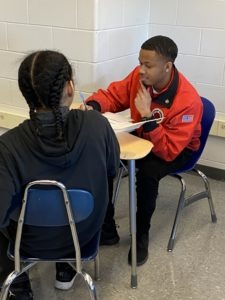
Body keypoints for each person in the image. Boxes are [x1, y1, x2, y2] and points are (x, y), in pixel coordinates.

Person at [0, 50, 120, 299]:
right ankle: (66, 268)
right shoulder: (97, 125)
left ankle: (17, 286)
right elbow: (112, 169)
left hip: (29, 241)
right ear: (69, 87)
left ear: (24, 93)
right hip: (84, 234)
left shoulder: (8, 146)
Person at [80, 35, 203, 266]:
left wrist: (147, 116)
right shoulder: (139, 78)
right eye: (140, 62)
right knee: (102, 156)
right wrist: (93, 105)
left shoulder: (188, 101)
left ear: (167, 66)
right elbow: (113, 95)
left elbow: (168, 151)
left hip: (179, 149)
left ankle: (141, 234)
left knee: (147, 172)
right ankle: (106, 229)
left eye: (148, 65)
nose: (141, 70)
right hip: (146, 134)